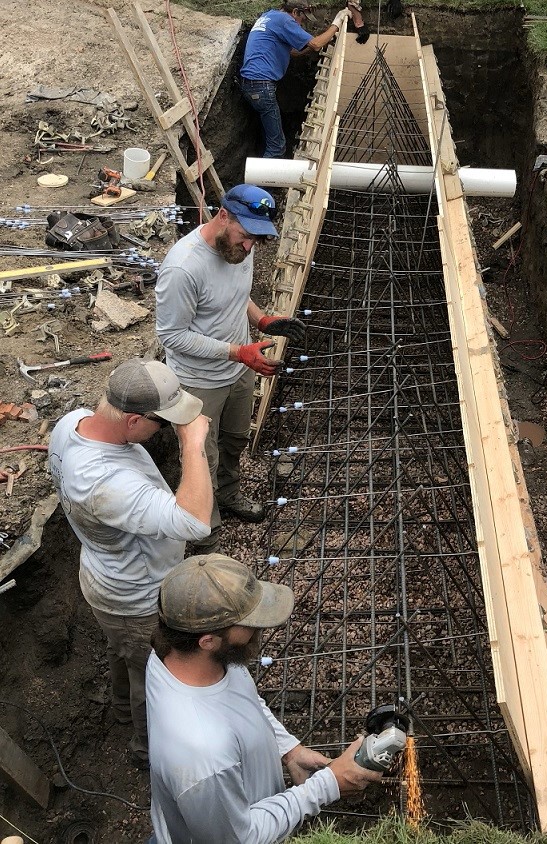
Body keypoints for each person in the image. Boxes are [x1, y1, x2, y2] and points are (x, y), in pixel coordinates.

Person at [146, 553, 381, 843]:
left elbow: (244, 699)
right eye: (249, 623)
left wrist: (288, 750)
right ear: (207, 640)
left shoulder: (170, 656)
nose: (260, 628)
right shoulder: (202, 756)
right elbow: (240, 838)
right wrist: (328, 785)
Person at [48, 358, 213, 767]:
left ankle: (120, 709)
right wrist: (191, 444)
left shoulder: (74, 421)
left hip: (107, 578)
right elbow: (194, 522)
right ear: (135, 421)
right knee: (150, 677)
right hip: (135, 597)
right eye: (162, 423)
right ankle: (146, 749)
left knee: (121, 651)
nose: (168, 428)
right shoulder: (102, 480)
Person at [155, 184, 305, 552]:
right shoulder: (183, 268)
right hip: (198, 382)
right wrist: (238, 352)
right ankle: (207, 537)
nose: (250, 247)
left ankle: (229, 495)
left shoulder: (238, 246)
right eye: (245, 236)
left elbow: (236, 295)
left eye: (256, 239)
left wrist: (262, 319)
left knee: (234, 438)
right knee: (201, 459)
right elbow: (172, 336)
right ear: (223, 216)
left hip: (238, 368)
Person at [239, 0, 362, 157]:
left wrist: (315, 44)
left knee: (270, 136)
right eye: (302, 19)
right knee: (277, 147)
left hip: (252, 84)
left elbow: (293, 52)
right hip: (261, 86)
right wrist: (336, 24)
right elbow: (316, 44)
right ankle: (262, 181)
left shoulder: (270, 16)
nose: (301, 24)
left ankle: (262, 170)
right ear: (295, 12)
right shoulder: (285, 20)